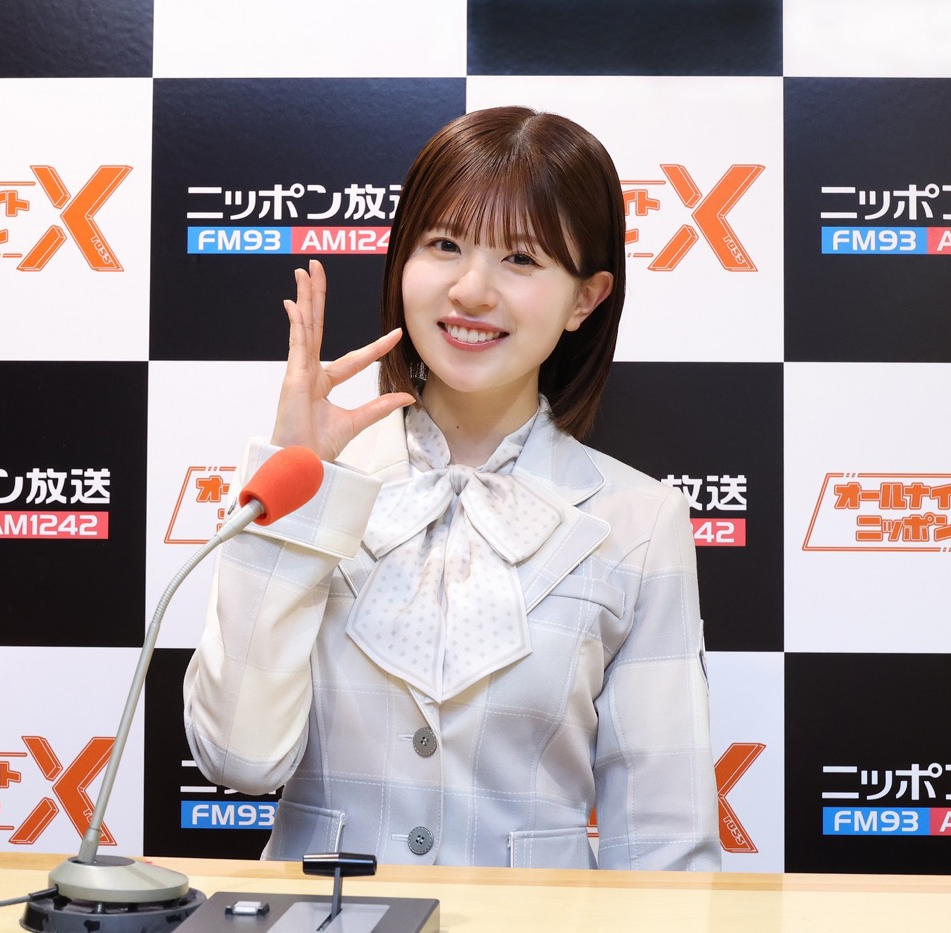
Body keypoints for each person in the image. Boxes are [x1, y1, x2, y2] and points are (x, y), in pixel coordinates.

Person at [183, 106, 720, 871]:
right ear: (403, 259)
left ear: (585, 298)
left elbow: (666, 845)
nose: (471, 289)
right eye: (444, 245)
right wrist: (296, 498)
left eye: (521, 258)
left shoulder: (639, 520)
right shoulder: (311, 483)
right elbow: (237, 757)